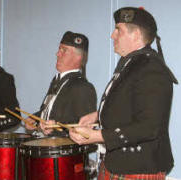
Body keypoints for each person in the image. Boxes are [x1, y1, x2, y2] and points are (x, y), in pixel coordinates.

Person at [69, 7, 178, 179]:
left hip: (138, 170)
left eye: (118, 30)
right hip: (118, 165)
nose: (112, 35)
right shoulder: (133, 64)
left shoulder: (151, 68)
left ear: (135, 35)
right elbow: (131, 105)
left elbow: (149, 127)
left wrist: (98, 136)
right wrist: (98, 115)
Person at [25, 31, 97, 136]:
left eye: (64, 50)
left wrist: (58, 127)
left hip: (65, 151)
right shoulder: (57, 81)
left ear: (78, 57)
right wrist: (35, 118)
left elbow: (85, 128)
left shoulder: (83, 87)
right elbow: (50, 111)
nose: (57, 54)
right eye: (59, 49)